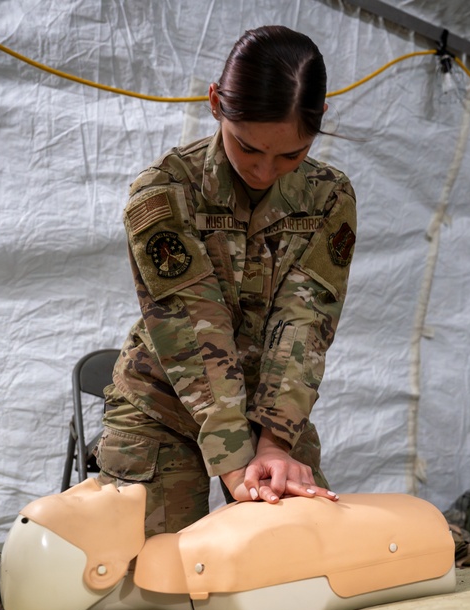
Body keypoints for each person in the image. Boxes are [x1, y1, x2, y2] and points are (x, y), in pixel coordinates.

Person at [95, 26, 357, 536]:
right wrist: (237, 460)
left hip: (270, 411)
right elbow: (196, 330)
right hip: (162, 406)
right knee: (144, 576)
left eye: (291, 155)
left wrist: (276, 442)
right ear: (216, 103)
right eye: (249, 147)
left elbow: (304, 321)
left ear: (319, 122)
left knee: (295, 560)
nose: (265, 170)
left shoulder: (329, 197)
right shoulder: (166, 191)